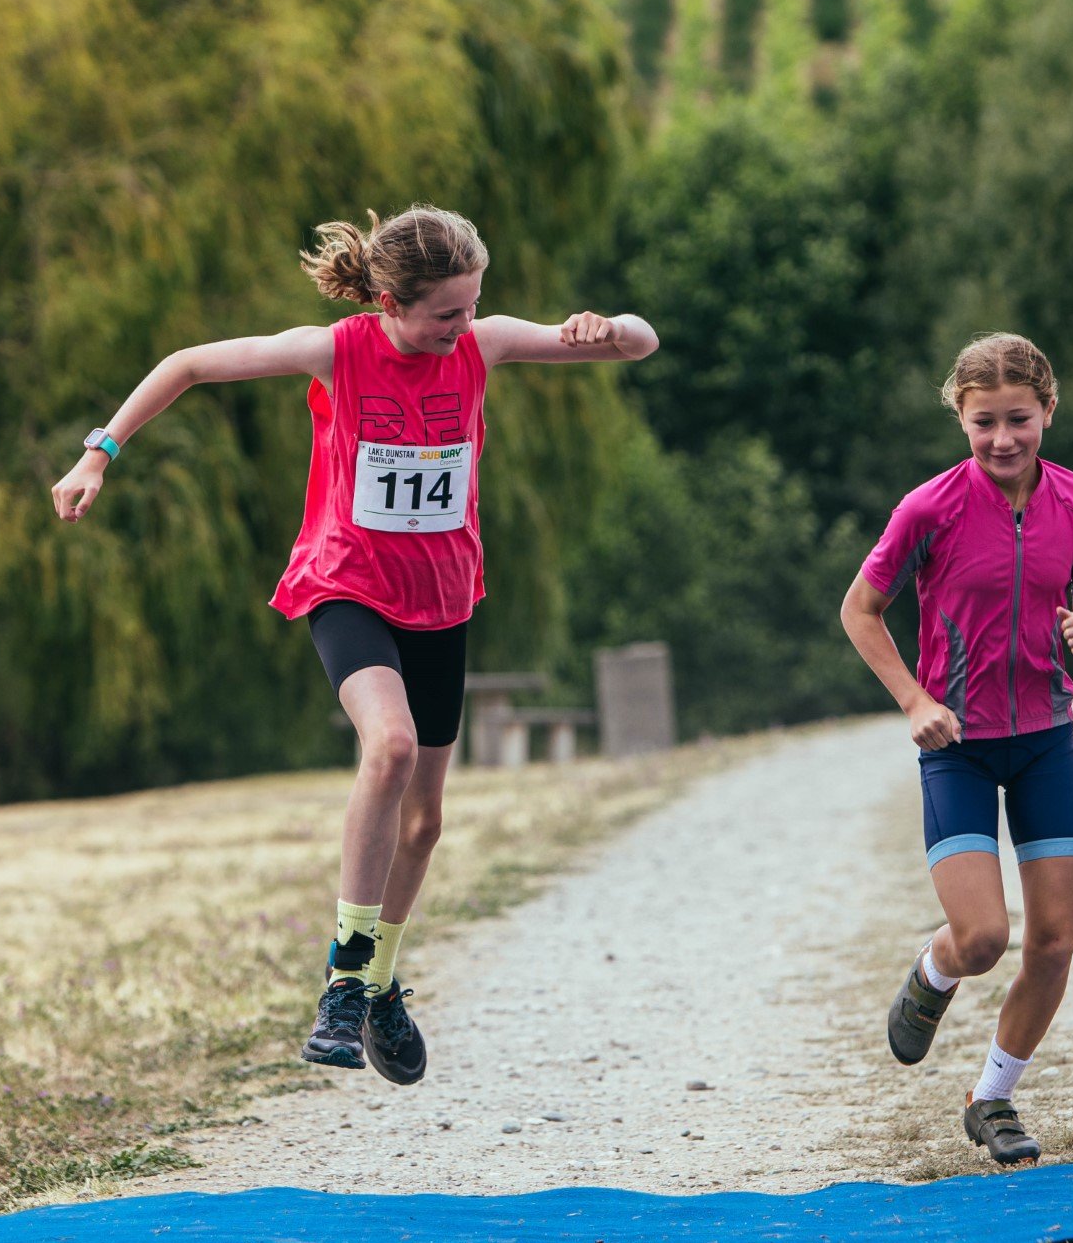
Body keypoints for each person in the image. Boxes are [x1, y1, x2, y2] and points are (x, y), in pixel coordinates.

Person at [50, 204, 658, 1084]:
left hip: (443, 601)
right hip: (348, 587)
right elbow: (186, 365)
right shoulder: (336, 350)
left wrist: (607, 326)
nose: (462, 327)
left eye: (473, 305)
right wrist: (100, 452)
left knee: (427, 822)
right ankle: (344, 978)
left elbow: (637, 344)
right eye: (446, 313)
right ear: (387, 301)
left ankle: (378, 983)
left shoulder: (481, 346)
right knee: (392, 746)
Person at [840, 334, 1073, 1165]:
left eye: (1019, 420)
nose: (1003, 439)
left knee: (1055, 942)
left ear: (1048, 413)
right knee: (986, 936)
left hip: (1045, 745)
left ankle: (993, 1099)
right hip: (957, 747)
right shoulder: (929, 508)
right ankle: (934, 971)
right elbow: (860, 610)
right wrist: (915, 699)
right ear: (959, 417)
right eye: (984, 421)